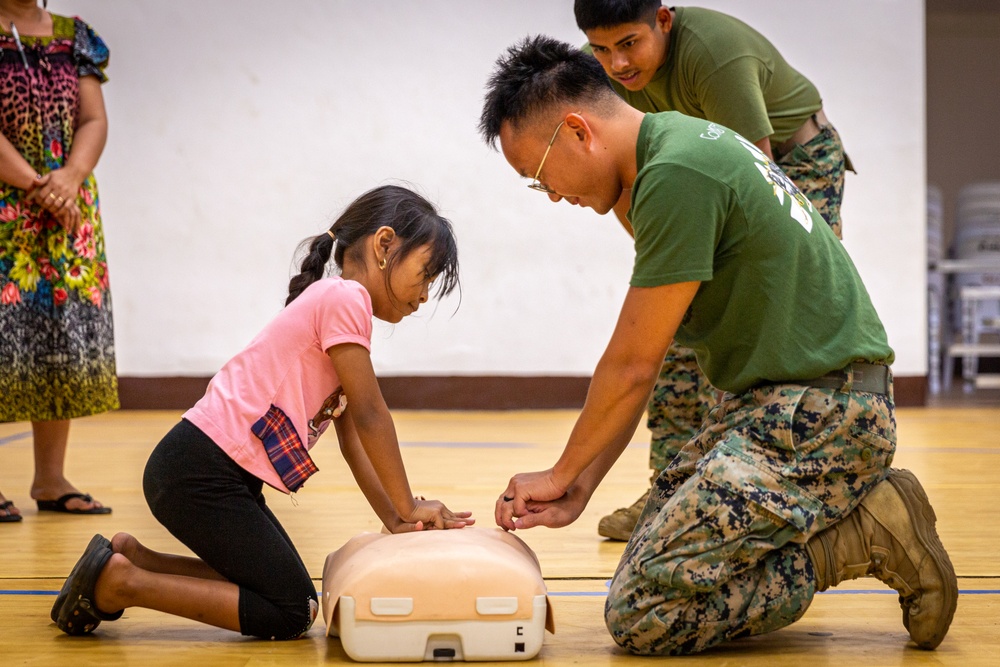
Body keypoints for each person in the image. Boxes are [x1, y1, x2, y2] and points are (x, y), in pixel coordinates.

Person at [480, 36, 956, 654]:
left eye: (539, 178)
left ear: (576, 130)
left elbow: (631, 365)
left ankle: (863, 534)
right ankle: (848, 518)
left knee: (642, 612)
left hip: (823, 415)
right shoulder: (677, 143)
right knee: (649, 560)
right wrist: (581, 486)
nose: (552, 196)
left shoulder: (676, 174)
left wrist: (561, 471)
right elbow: (640, 372)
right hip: (777, 406)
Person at [51, 185, 475, 639]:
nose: (425, 295)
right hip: (200, 471)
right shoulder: (345, 298)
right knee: (292, 610)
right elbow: (372, 415)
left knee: (287, 592)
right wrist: (409, 503)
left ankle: (135, 560)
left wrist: (397, 519)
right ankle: (122, 584)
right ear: (385, 244)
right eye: (426, 274)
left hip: (208, 470)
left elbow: (354, 442)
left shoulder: (337, 304)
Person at [573, 0, 856, 541]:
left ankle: (782, 490)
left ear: (663, 19)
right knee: (679, 323)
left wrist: (709, 270)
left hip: (791, 163)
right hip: (699, 180)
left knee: (760, 317)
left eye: (629, 43)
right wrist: (675, 271)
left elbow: (759, 182)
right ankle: (671, 490)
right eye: (601, 49)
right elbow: (624, 183)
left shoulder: (712, 56)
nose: (617, 64)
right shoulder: (607, 75)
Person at [0, 0, 115, 521]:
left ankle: (50, 479)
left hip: (67, 217)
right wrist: (37, 183)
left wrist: (70, 177)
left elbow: (93, 119)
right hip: (9, 211)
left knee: (57, 337)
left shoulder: (76, 37)